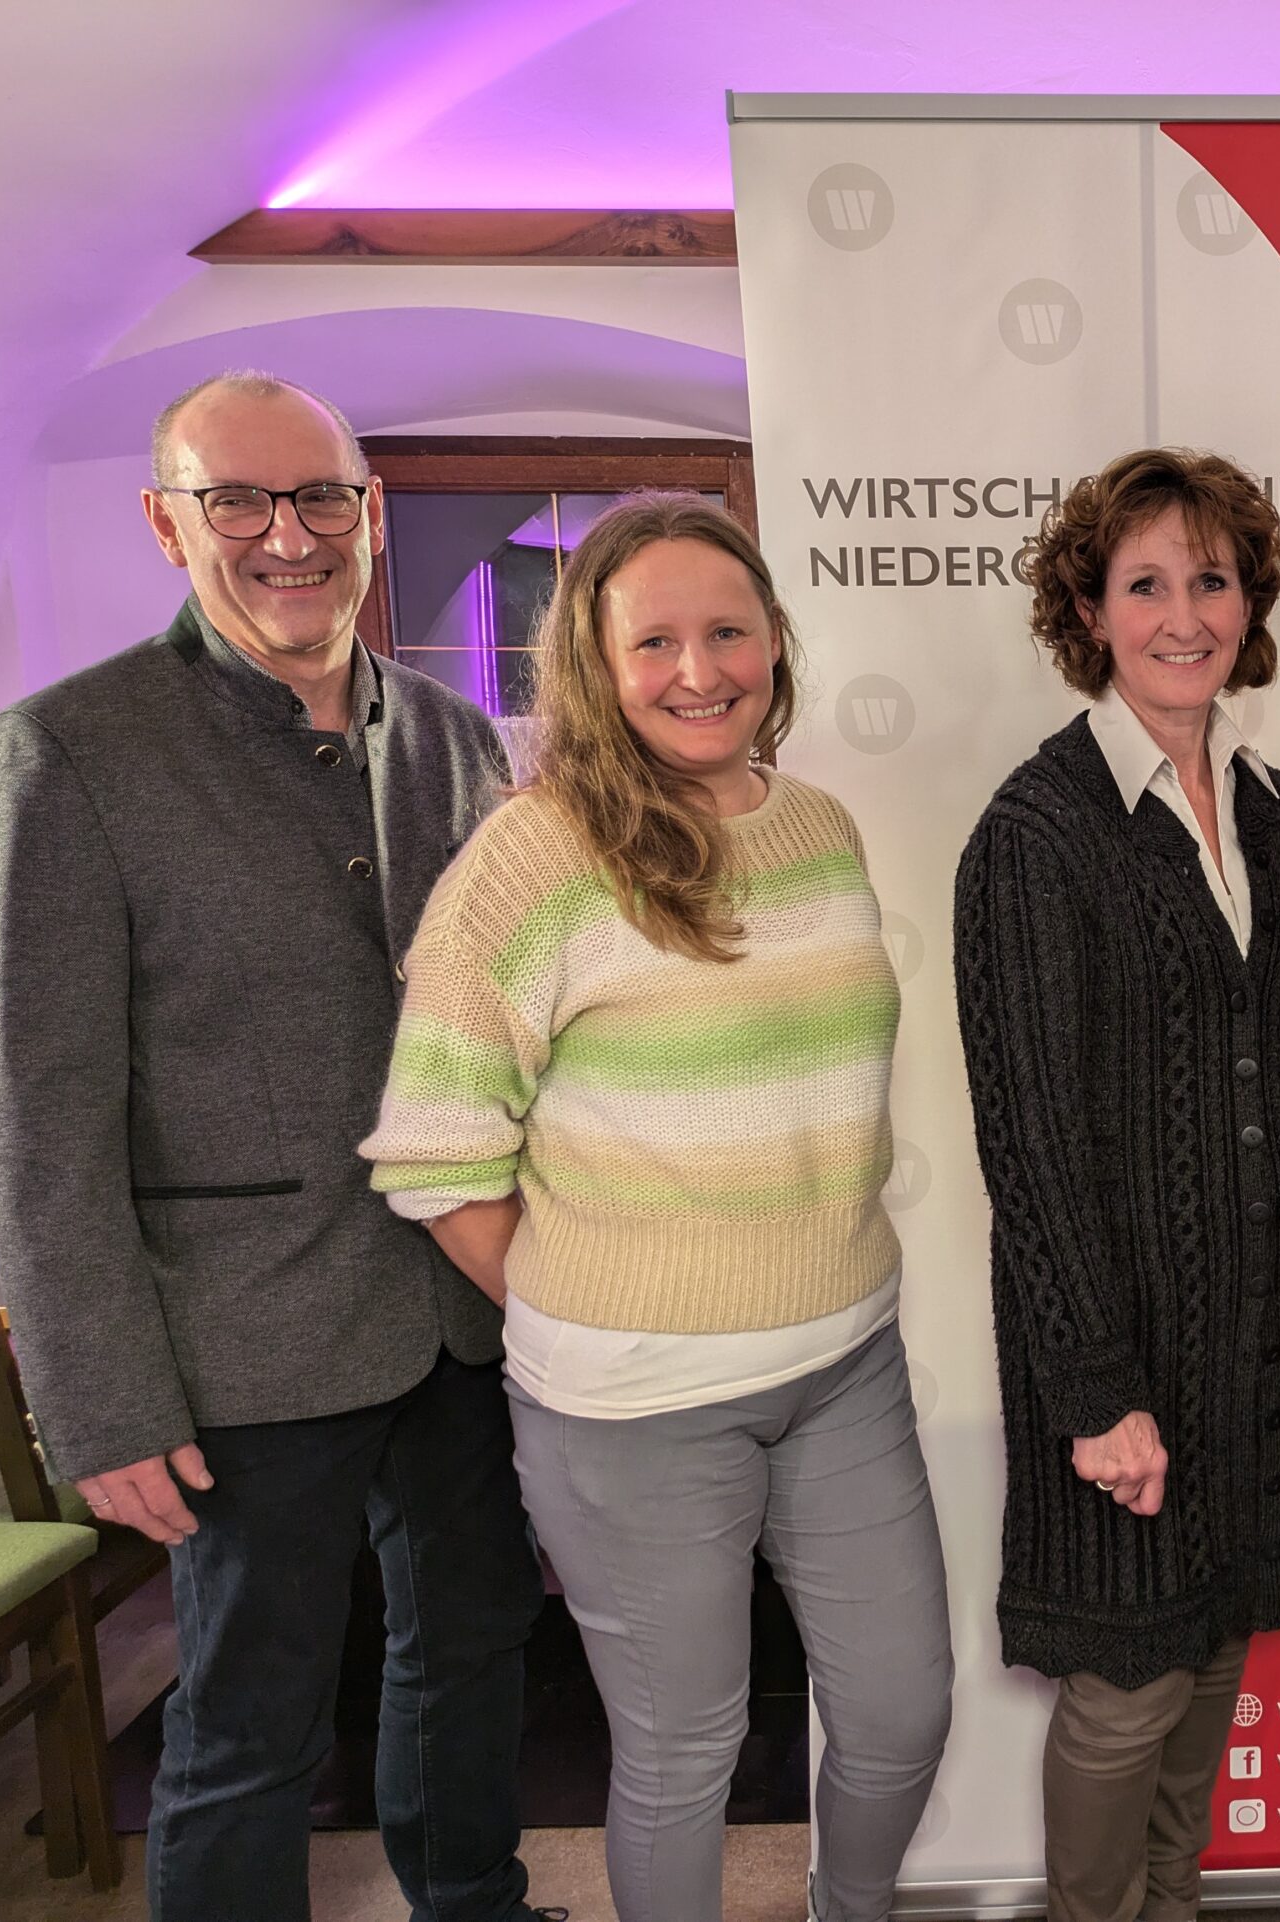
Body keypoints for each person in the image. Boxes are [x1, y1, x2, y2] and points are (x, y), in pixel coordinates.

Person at [0, 371, 552, 1922]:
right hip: (235, 1334)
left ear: (370, 515)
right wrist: (95, 1396)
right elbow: (37, 1110)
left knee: (472, 1646)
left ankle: (470, 1900)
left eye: (323, 499)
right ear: (170, 523)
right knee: (248, 1721)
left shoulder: (450, 733)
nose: (288, 535)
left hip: (458, 1308)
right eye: (240, 499)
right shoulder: (69, 753)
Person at [360, 494, 952, 1922]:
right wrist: (602, 1306)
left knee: (901, 1708)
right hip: (629, 1406)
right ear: (594, 663)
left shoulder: (817, 823)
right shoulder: (534, 856)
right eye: (658, 640)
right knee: (684, 1751)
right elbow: (438, 1151)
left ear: (773, 643)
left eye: (729, 630)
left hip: (845, 1361)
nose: (701, 668)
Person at [953, 448, 1280, 1922]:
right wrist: (1093, 1387)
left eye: (1212, 576)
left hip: (1264, 1333)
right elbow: (1034, 1141)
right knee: (1129, 1687)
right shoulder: (1039, 829)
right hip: (1126, 1346)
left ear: (1249, 596)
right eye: (1146, 582)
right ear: (1090, 605)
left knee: (1219, 1650)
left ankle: (1172, 1902)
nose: (1183, 611)